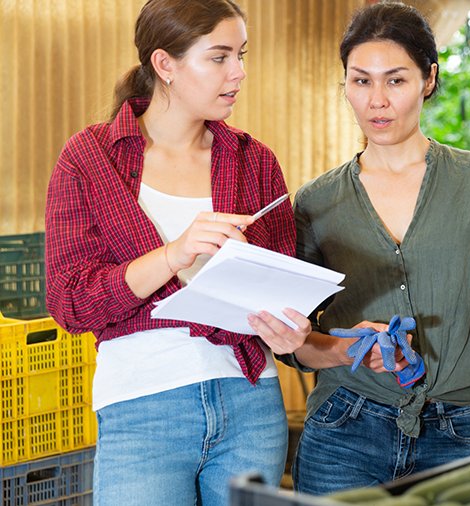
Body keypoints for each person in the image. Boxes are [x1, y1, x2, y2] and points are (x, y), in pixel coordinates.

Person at [247, 2, 470, 496]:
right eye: (360, 81)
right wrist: (347, 352)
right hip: (344, 429)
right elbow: (298, 344)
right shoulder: (316, 202)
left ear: (429, 79)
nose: (377, 101)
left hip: (454, 431)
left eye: (396, 80)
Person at [44, 1, 306, 504]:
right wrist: (175, 253)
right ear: (165, 64)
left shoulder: (254, 161)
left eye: (241, 55)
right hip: (142, 407)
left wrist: (288, 327)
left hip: (251, 403)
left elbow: (280, 292)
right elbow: (71, 303)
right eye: (220, 57)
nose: (239, 72)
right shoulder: (90, 158)